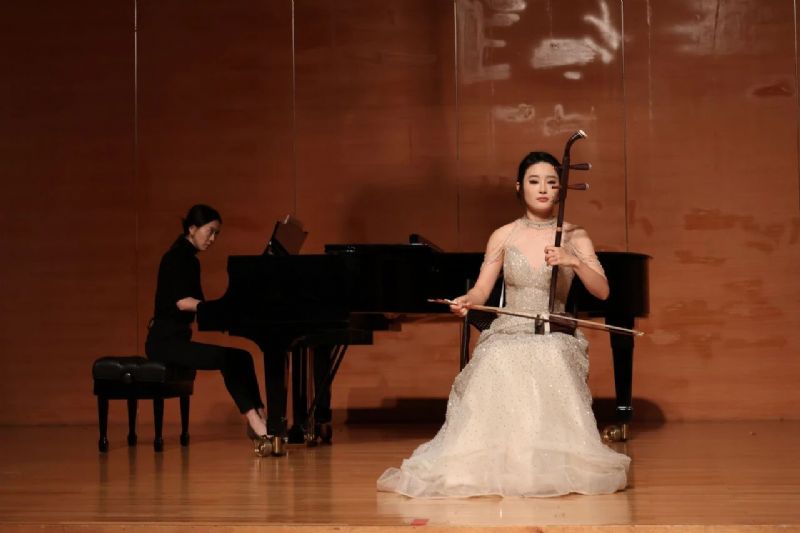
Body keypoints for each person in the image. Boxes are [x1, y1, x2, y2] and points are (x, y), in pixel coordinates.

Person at [377, 152, 630, 497]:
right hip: (510, 326)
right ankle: (495, 461)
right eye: (534, 181)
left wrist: (573, 260)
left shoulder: (574, 234)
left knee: (551, 354)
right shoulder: (503, 236)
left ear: (561, 190)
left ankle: (544, 463)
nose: (543, 188)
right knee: (497, 355)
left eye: (552, 182)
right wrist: (468, 300)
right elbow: (482, 289)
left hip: (554, 330)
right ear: (519, 187)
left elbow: (602, 291)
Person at [145, 204, 271, 456]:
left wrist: (223, 315)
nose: (213, 238)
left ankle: (260, 417)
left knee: (242, 357)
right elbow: (183, 303)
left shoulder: (188, 259)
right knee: (228, 360)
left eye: (216, 234)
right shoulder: (176, 258)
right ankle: (255, 423)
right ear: (192, 228)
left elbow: (197, 306)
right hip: (164, 343)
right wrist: (222, 311)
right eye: (210, 231)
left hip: (177, 339)